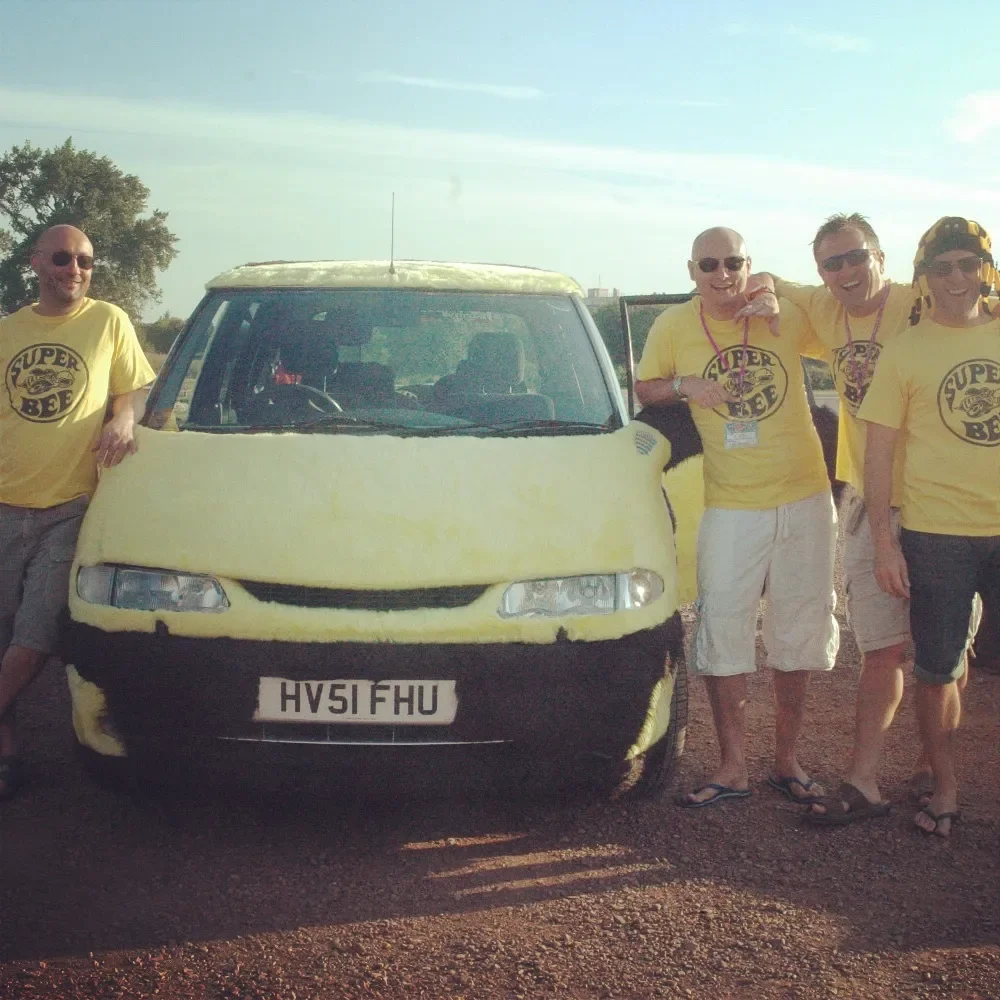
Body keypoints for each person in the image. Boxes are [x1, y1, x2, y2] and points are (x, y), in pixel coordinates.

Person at [636, 227, 838, 808]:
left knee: (798, 628)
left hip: (805, 496)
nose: (722, 275)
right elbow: (645, 388)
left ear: (750, 263)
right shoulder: (674, 325)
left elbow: (843, 323)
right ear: (691, 270)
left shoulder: (783, 313)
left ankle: (786, 761)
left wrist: (775, 289)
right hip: (732, 503)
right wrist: (685, 385)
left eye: (734, 263)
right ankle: (732, 766)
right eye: (709, 265)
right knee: (723, 625)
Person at [0, 224, 155, 800]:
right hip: (3, 503)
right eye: (63, 259)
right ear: (36, 264)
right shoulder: (8, 331)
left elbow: (134, 387)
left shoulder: (108, 320)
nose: (76, 270)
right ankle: (7, 756)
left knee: (36, 632)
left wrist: (123, 418)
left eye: (86, 260)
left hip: (67, 507)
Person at [858, 216, 1000, 838]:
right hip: (936, 532)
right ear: (924, 277)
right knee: (937, 667)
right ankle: (944, 788)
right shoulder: (908, 351)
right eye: (942, 268)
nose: (956, 278)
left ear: (985, 269)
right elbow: (879, 451)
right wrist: (884, 543)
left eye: (967, 264)